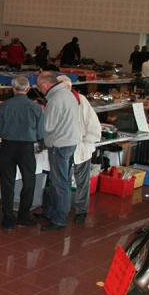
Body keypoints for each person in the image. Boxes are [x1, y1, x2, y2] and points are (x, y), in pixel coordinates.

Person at [0, 76, 45, 230]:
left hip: (8, 147)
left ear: (13, 89)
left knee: (7, 182)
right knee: (29, 182)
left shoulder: (5, 105)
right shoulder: (36, 108)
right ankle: (23, 217)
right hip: (27, 148)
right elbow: (40, 133)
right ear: (28, 89)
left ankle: (8, 219)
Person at [34, 71, 80, 231]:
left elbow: (48, 127)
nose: (39, 90)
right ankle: (52, 212)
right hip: (70, 141)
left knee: (59, 182)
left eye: (39, 86)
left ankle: (59, 218)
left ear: (46, 84)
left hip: (60, 144)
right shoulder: (67, 94)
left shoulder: (55, 100)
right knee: (62, 180)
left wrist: (42, 113)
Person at [57, 76, 101, 224]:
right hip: (64, 147)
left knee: (82, 181)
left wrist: (87, 142)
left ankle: (82, 210)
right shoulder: (59, 100)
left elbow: (93, 124)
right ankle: (64, 208)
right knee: (64, 180)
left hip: (81, 146)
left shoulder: (81, 100)